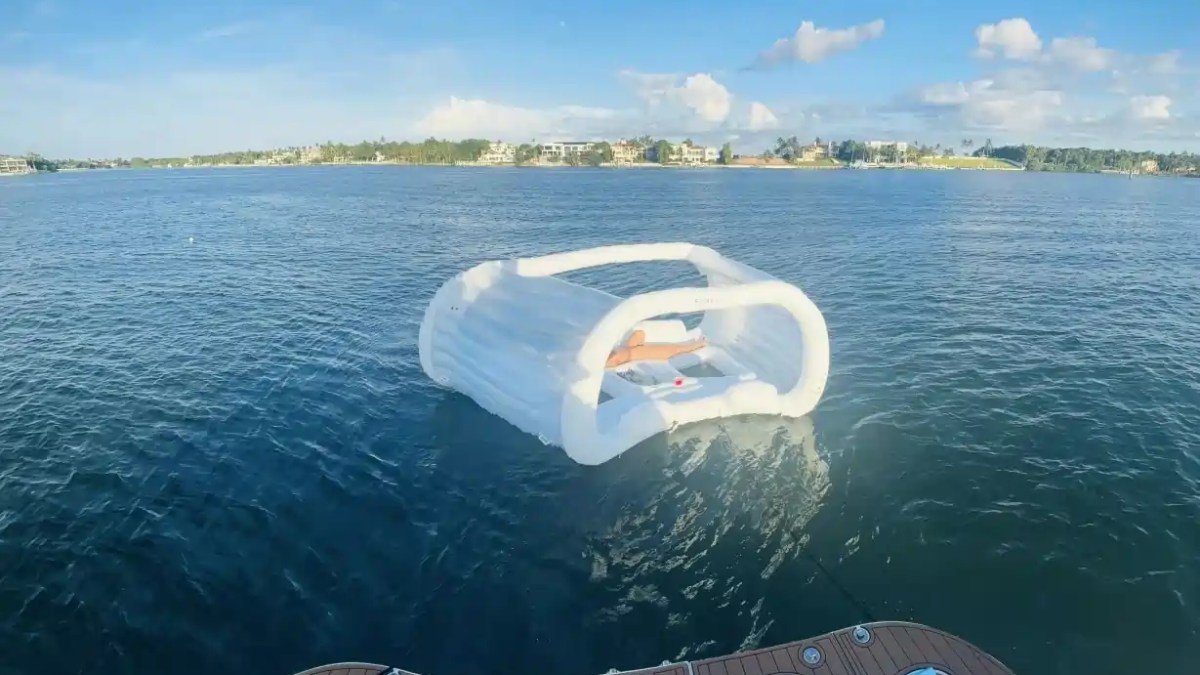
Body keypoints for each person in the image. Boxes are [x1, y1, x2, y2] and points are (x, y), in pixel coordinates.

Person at [605, 330, 707, 368]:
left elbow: (639, 334)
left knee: (678, 349)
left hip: (636, 350)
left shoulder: (618, 355)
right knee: (678, 349)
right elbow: (639, 333)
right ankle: (700, 343)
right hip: (637, 351)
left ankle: (699, 343)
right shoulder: (616, 358)